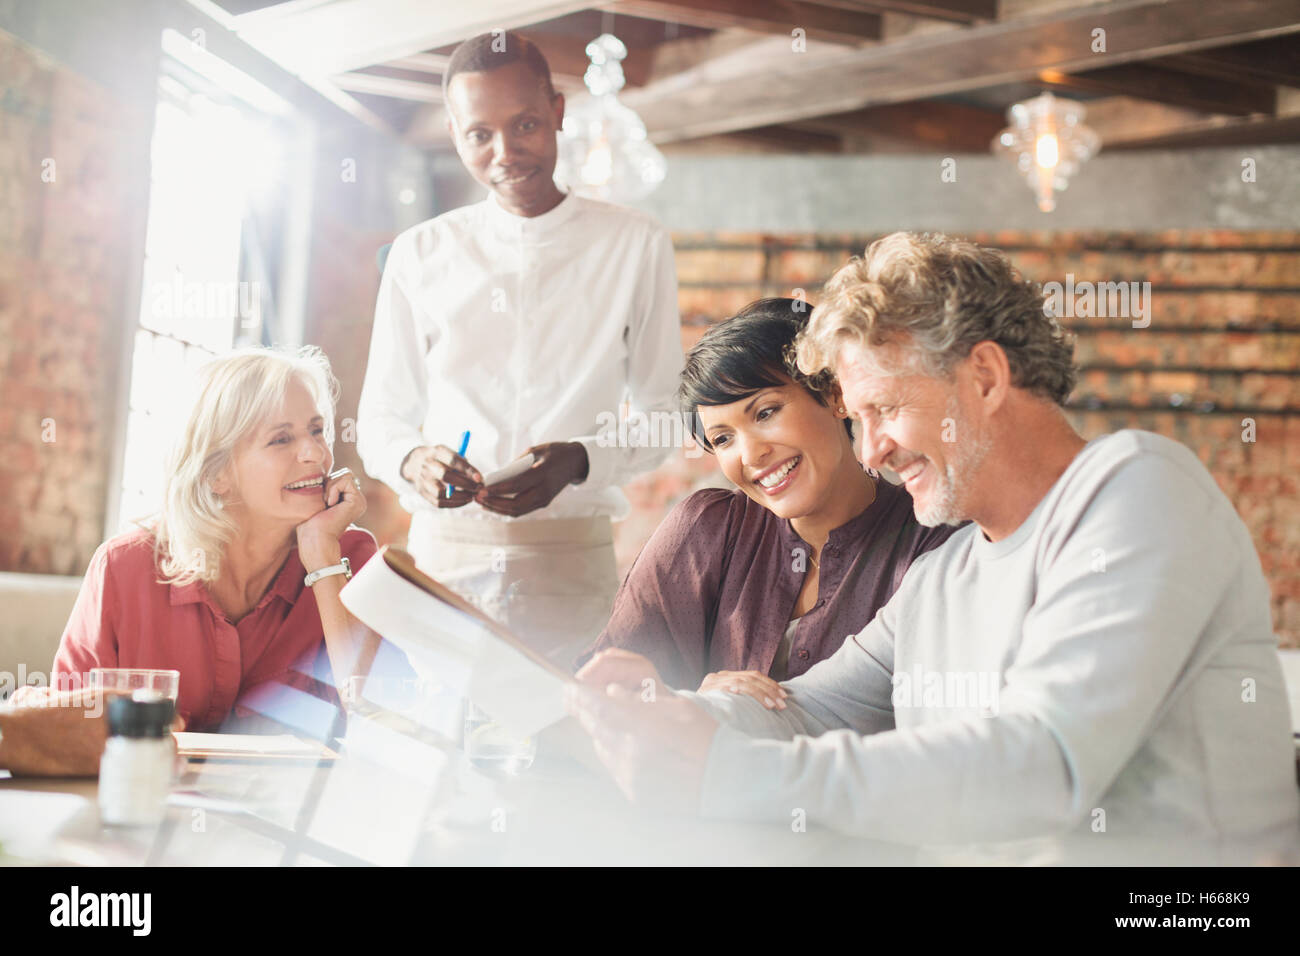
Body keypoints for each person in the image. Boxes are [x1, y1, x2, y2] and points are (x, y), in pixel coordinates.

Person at [568, 232, 1299, 858]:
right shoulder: (944, 576)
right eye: (858, 417)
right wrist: (671, 715)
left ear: (982, 377)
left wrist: (724, 769)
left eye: (884, 409)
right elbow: (803, 710)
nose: (874, 449)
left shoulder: (1136, 488)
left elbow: (1042, 763)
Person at [355, 31, 682, 666]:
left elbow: (665, 414)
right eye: (480, 134)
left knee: (567, 754)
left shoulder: (635, 244)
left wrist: (582, 460)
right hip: (442, 563)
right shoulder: (419, 254)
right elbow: (380, 418)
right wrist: (411, 459)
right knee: (435, 752)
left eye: (526, 123)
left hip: (571, 568)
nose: (505, 151)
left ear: (558, 113)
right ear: (454, 134)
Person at [576, 298, 958, 701]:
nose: (750, 455)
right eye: (723, 438)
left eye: (765, 413)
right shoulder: (705, 528)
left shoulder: (930, 538)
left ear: (834, 395)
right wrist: (694, 699)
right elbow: (601, 690)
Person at [51, 348, 383, 733]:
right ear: (215, 474)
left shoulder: (350, 557)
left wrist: (324, 560)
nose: (315, 453)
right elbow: (67, 725)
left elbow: (378, 719)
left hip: (289, 795)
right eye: (280, 439)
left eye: (316, 430)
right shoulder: (124, 570)